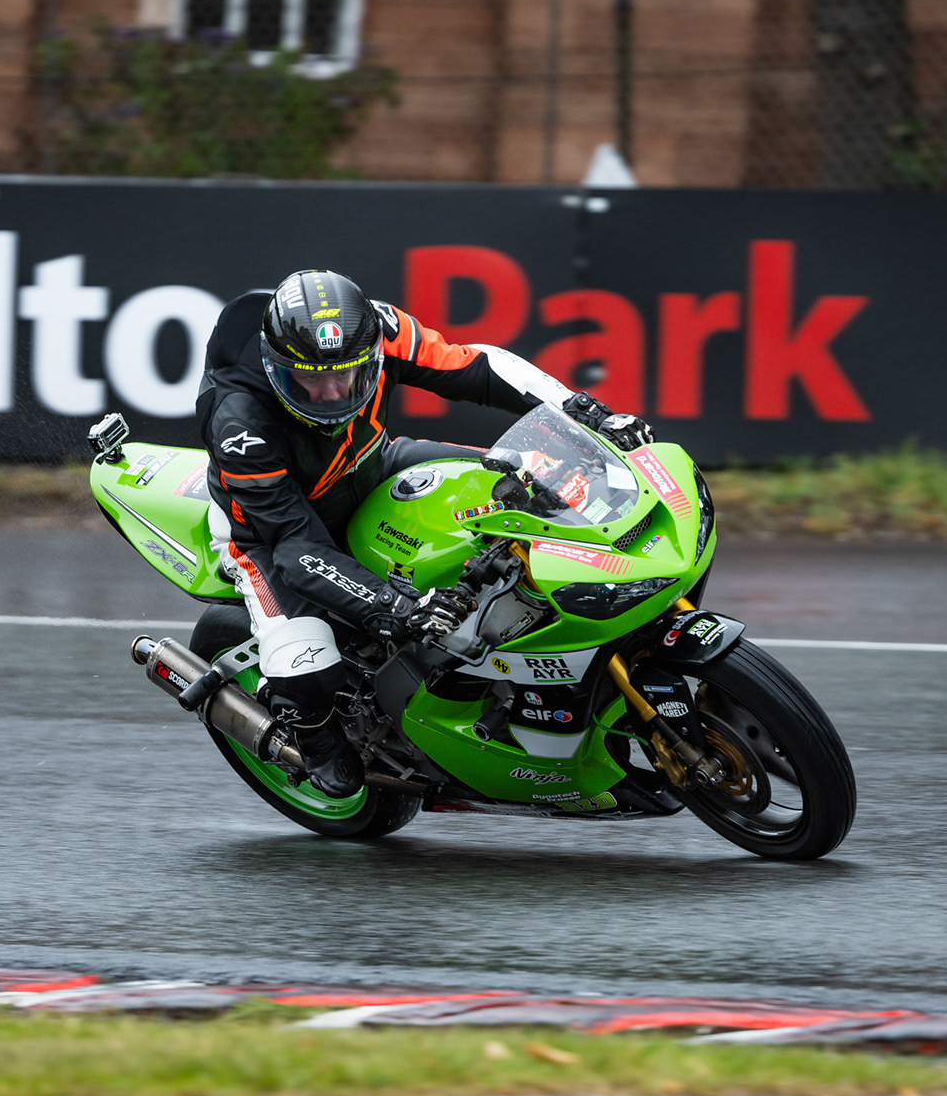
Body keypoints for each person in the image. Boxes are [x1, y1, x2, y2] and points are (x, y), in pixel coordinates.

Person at [196, 269, 653, 799]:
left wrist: (580, 409)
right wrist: (398, 607)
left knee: (534, 484)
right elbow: (298, 547)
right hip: (267, 535)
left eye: (346, 374)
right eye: (308, 379)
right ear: (276, 366)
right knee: (307, 665)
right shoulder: (241, 426)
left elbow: (476, 367)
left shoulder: (378, 329)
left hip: (371, 466)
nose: (331, 392)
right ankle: (313, 739)